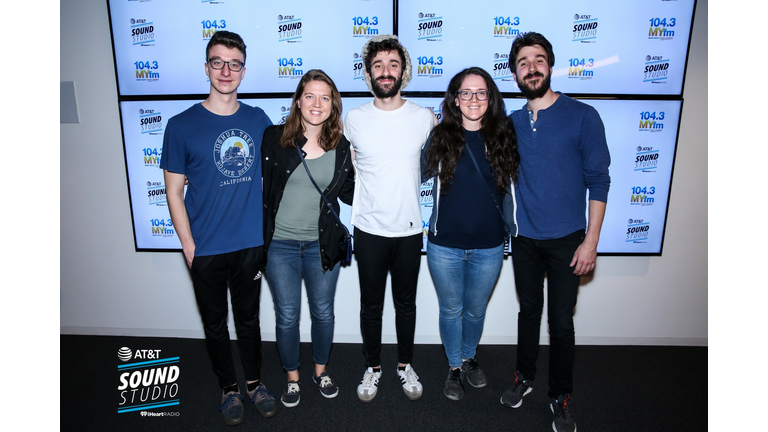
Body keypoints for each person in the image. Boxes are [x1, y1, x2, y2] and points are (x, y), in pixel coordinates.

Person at [160, 30, 276, 426]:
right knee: (215, 324)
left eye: (235, 63)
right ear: (206, 67)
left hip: (249, 245)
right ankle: (228, 390)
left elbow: (286, 166)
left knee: (249, 321)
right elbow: (173, 192)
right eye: (218, 62)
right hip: (205, 247)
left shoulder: (259, 121)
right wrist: (189, 245)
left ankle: (255, 383)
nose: (226, 70)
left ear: (244, 70)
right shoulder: (181, 125)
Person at [499, 32, 611, 432]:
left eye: (539, 59)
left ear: (550, 66)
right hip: (525, 239)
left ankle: (561, 397)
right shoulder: (510, 124)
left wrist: (591, 241)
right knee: (528, 314)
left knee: (561, 323)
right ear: (515, 74)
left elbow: (599, 181)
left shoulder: (583, 116)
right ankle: (523, 377)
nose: (532, 67)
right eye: (524, 62)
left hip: (569, 240)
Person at [343, 34, 437, 402]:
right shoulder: (354, 119)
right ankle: (373, 366)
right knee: (371, 305)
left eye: (393, 65)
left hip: (410, 230)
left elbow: (436, 166)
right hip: (367, 229)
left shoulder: (424, 117)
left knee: (407, 304)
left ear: (404, 72)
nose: (386, 71)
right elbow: (343, 168)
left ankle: (404, 364)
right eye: (378, 65)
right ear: (368, 74)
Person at [421, 67, 519, 401]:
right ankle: (453, 366)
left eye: (480, 92)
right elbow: (409, 172)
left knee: (475, 311)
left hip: (489, 246)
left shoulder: (503, 134)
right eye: (466, 92)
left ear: (490, 98)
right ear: (455, 98)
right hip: (444, 245)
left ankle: (468, 357)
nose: (473, 99)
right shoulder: (439, 137)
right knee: (451, 310)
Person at [261, 70, 354, 408]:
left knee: (323, 313)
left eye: (325, 97)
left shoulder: (342, 146)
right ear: (298, 101)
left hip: (321, 245)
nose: (317, 104)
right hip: (280, 245)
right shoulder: (274, 138)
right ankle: (292, 378)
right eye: (310, 96)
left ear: (333, 104)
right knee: (286, 315)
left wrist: (365, 165)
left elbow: (351, 194)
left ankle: (320, 371)